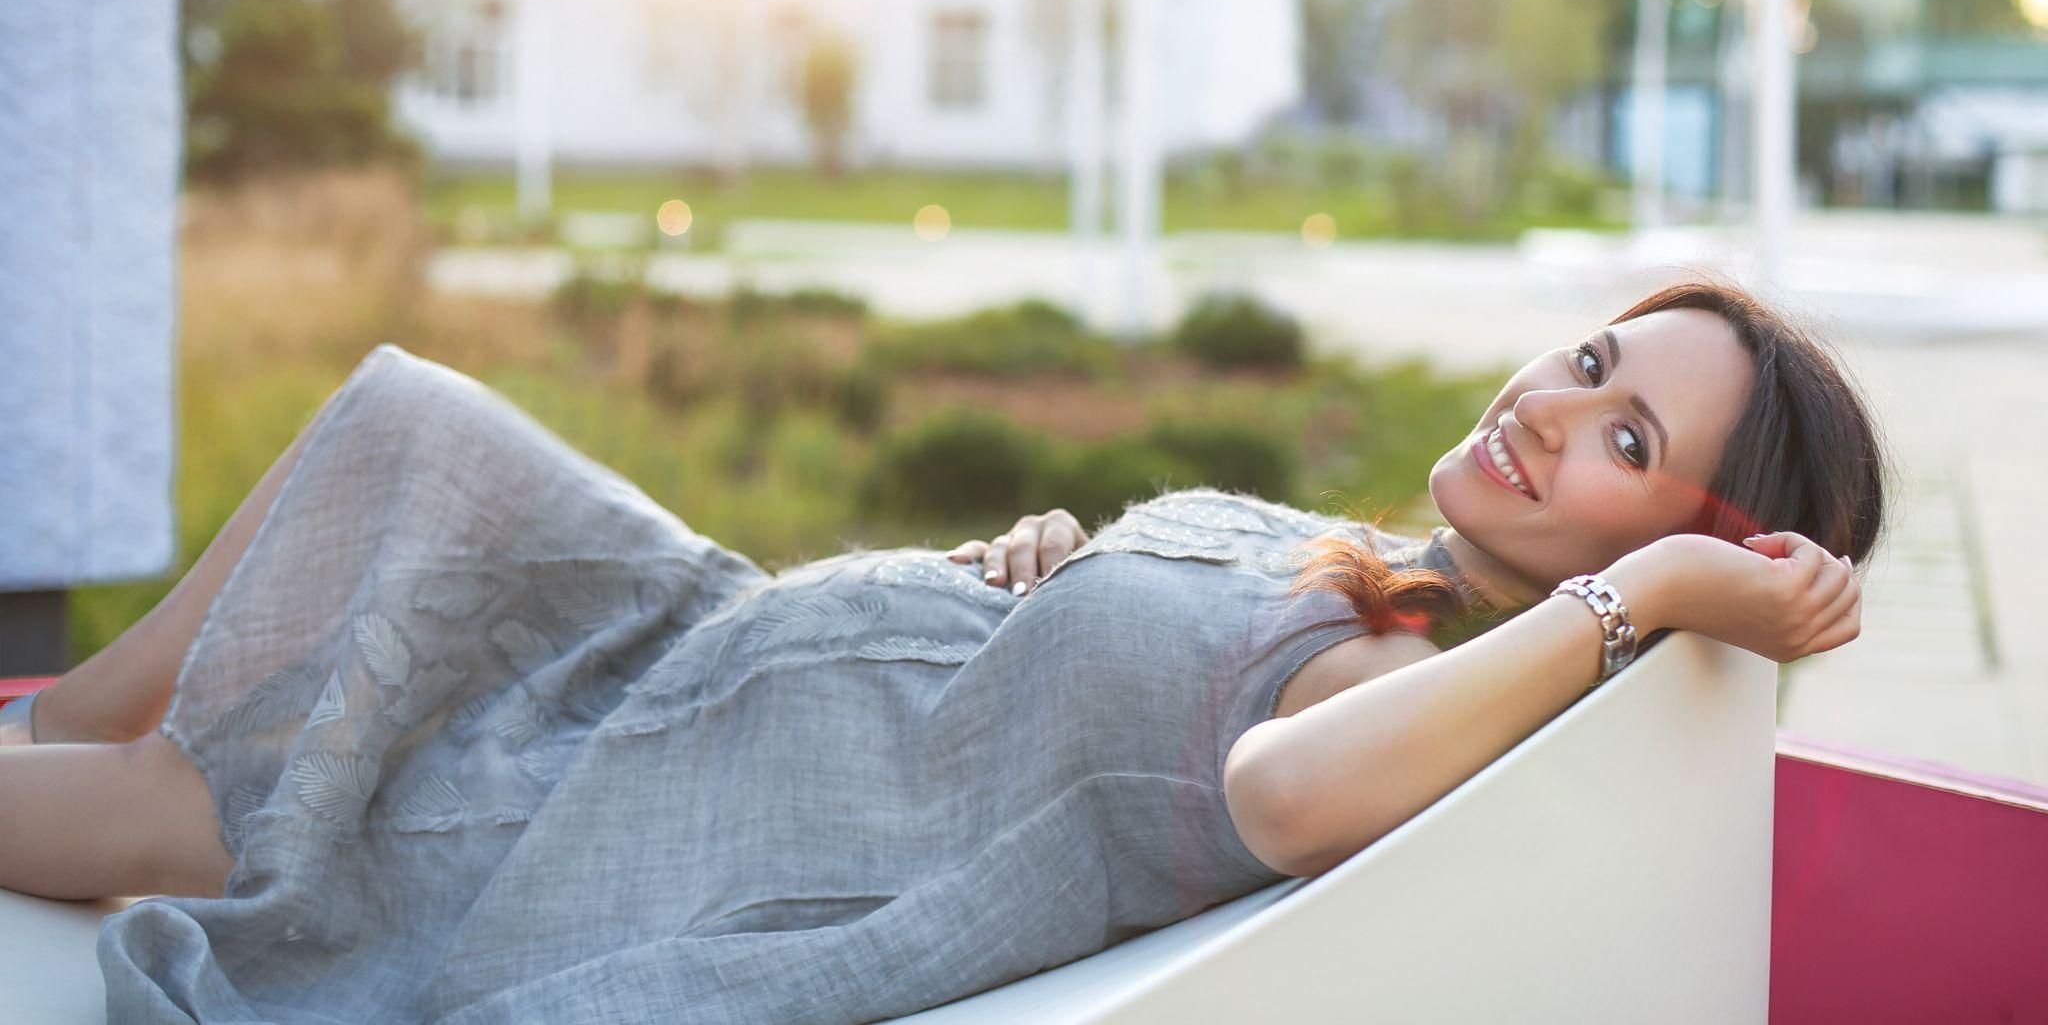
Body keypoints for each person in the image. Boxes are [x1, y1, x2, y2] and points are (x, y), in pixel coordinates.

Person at [0, 278, 1884, 1023]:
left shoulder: (1413, 695)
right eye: (1590, 362)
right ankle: (51, 720)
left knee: (213, 810)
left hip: (618, 814)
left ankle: (78, 764)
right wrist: (1071, 558)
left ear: (1684, 552)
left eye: (1631, 446)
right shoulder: (1379, 577)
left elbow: (1279, 793)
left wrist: (1660, 613)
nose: (1556, 411)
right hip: (684, 644)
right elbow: (1140, 659)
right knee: (421, 425)